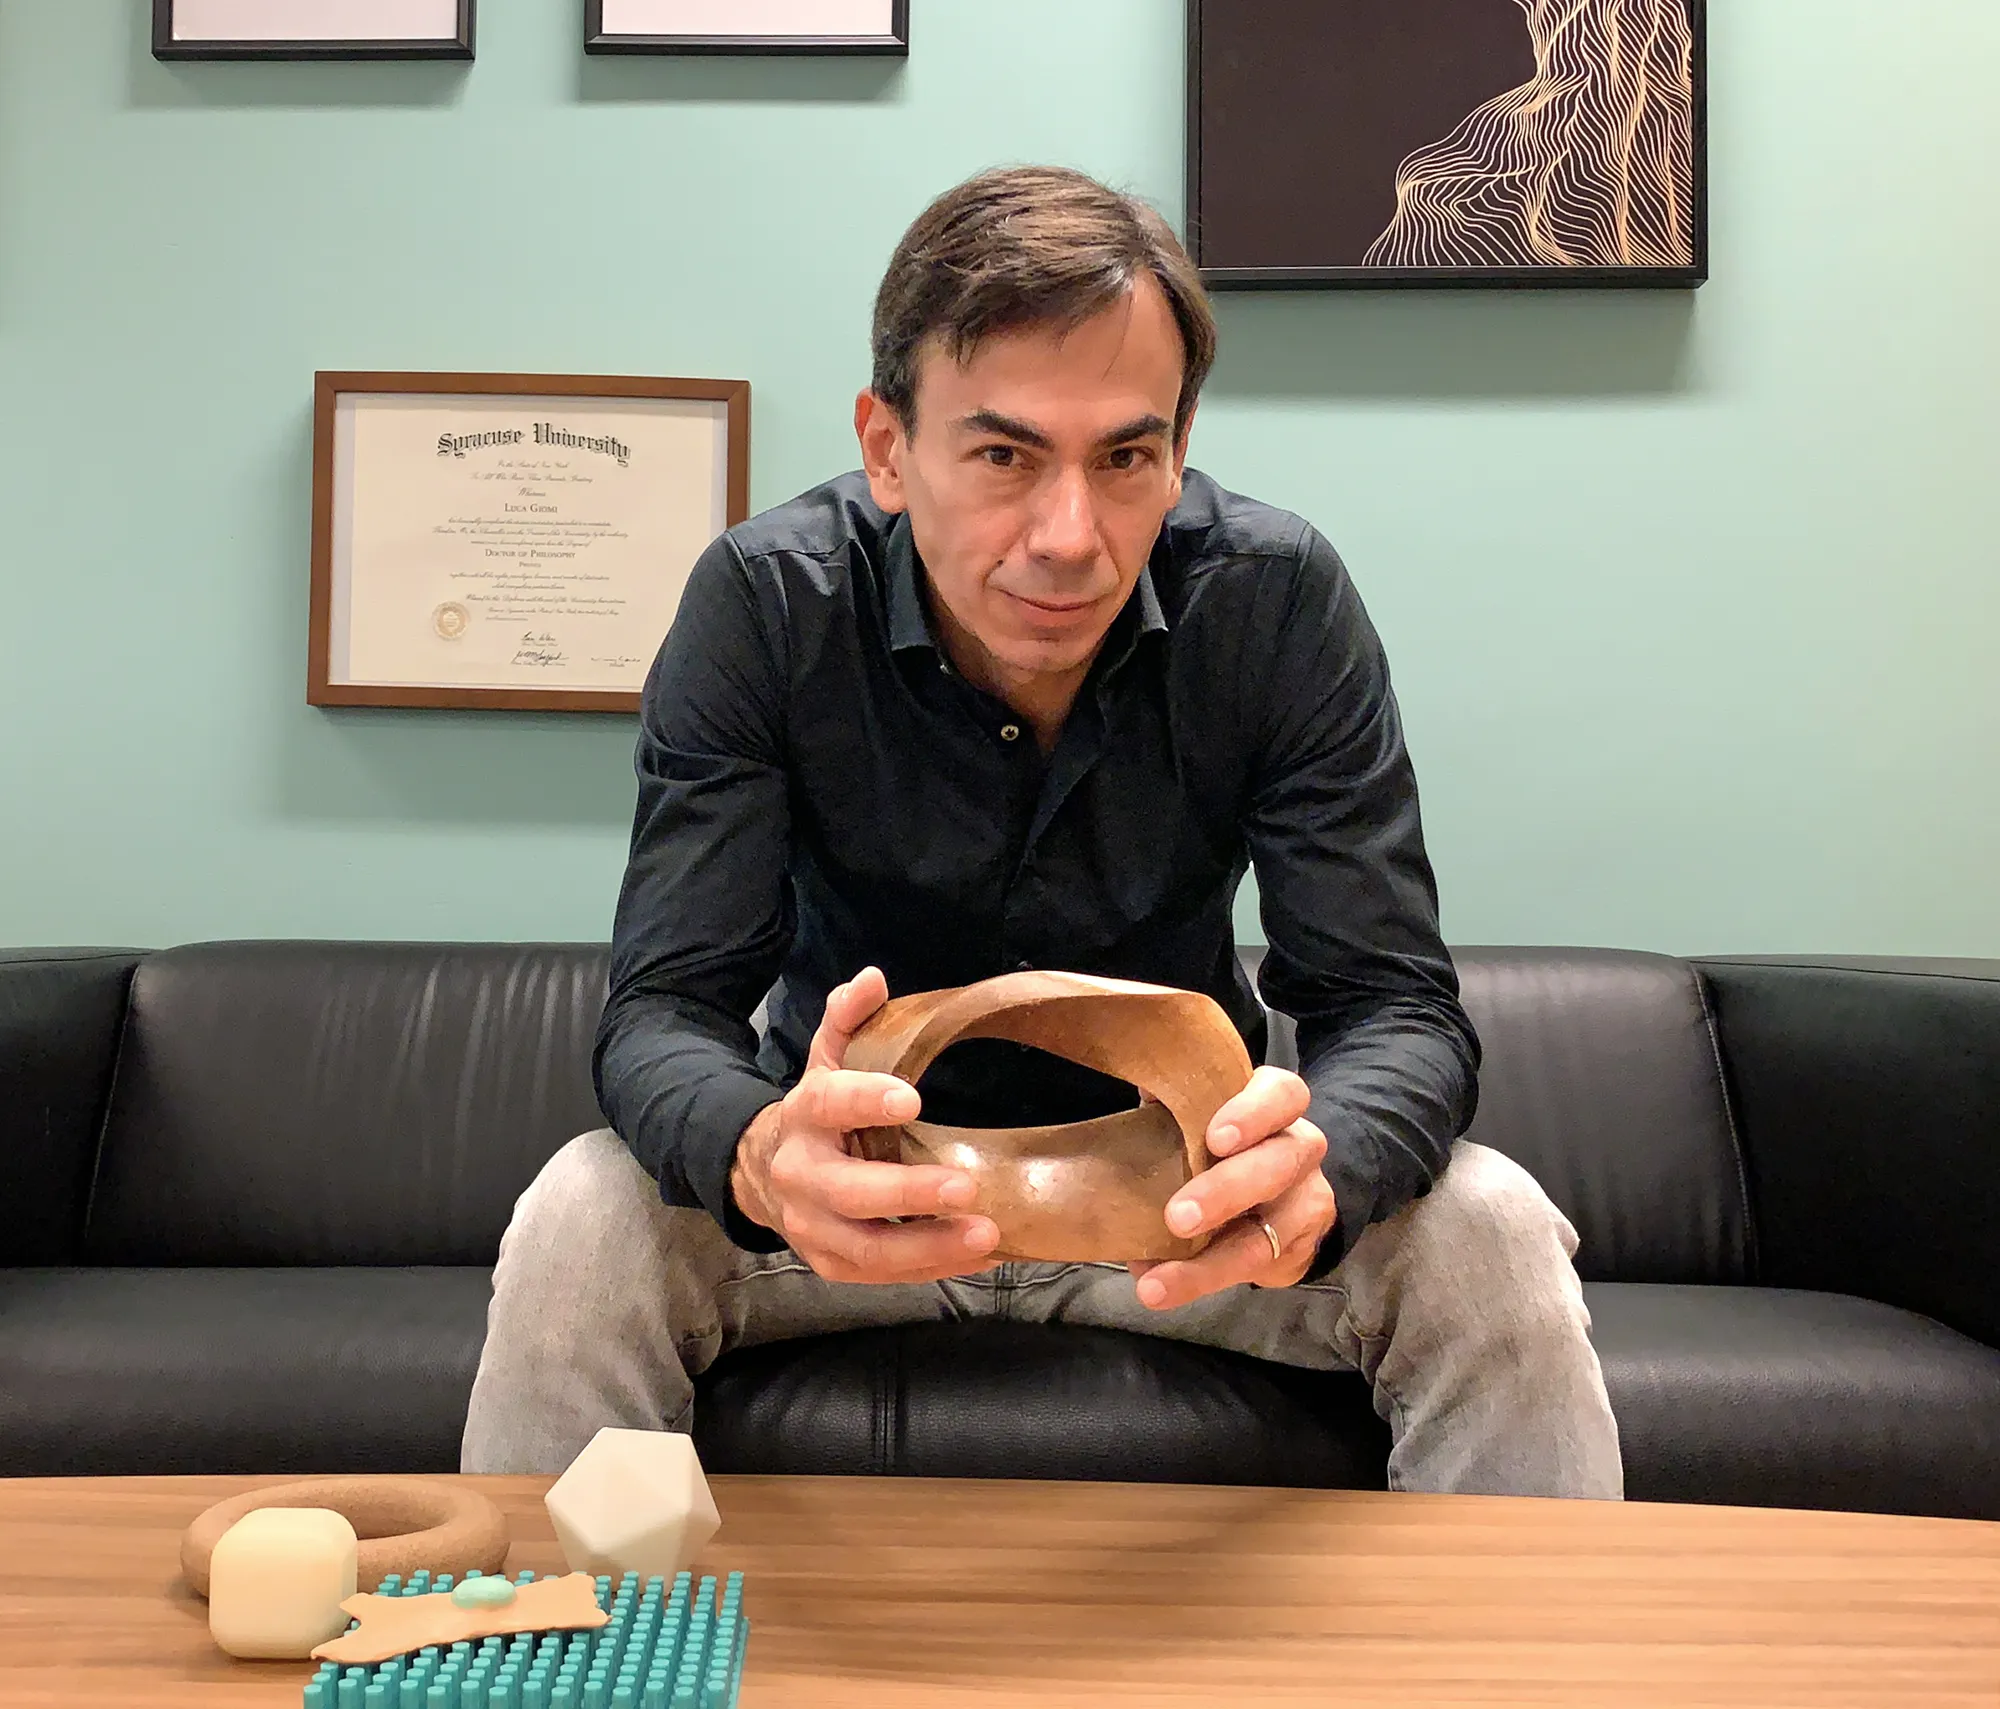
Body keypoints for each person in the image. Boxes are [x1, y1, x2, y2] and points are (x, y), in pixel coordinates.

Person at [461, 165, 1622, 1498]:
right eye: (1004, 455)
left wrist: (1321, 1164)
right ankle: (556, 1665)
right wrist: (763, 1158)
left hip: (1184, 1206)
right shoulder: (764, 605)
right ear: (889, 448)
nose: (1070, 539)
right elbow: (661, 1007)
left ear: (1179, 450)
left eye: (1125, 458)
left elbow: (1392, 1003)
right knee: (581, 1217)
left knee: (1489, 1226)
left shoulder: (1276, 601)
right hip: (855, 1202)